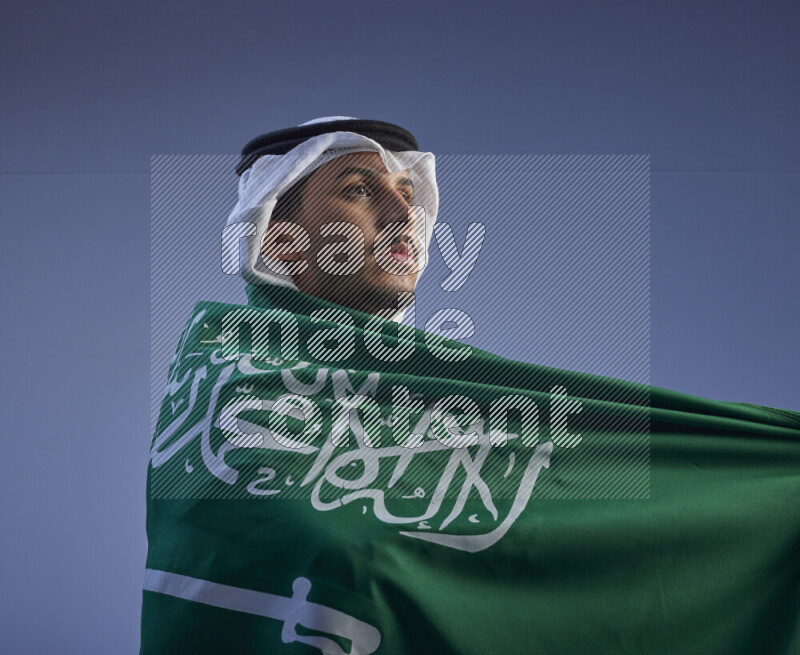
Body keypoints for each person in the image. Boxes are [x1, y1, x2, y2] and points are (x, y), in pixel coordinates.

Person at [141, 117, 800, 655]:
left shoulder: (455, 404)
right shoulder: (230, 389)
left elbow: (562, 542)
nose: (404, 214)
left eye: (408, 194)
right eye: (360, 190)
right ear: (280, 241)